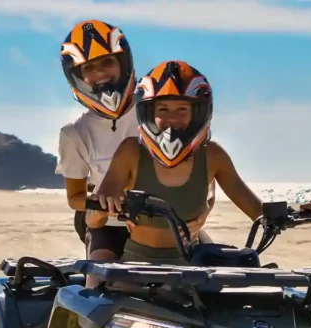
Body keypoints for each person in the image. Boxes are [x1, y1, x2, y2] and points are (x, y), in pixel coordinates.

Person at [90, 60, 311, 265]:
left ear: (199, 112)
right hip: (138, 265)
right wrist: (104, 207)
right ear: (148, 112)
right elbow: (94, 215)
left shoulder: (212, 155)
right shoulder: (132, 151)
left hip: (192, 267)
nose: (172, 118)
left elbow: (258, 213)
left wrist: (300, 213)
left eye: (182, 109)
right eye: (163, 108)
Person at [55, 19, 214, 264]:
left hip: (170, 223)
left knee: (213, 274)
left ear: (124, 62)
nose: (99, 73)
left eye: (107, 62)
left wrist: (204, 210)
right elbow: (74, 198)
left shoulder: (158, 111)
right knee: (100, 282)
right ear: (76, 77)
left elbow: (204, 169)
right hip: (109, 227)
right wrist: (108, 204)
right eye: (88, 68)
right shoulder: (74, 133)